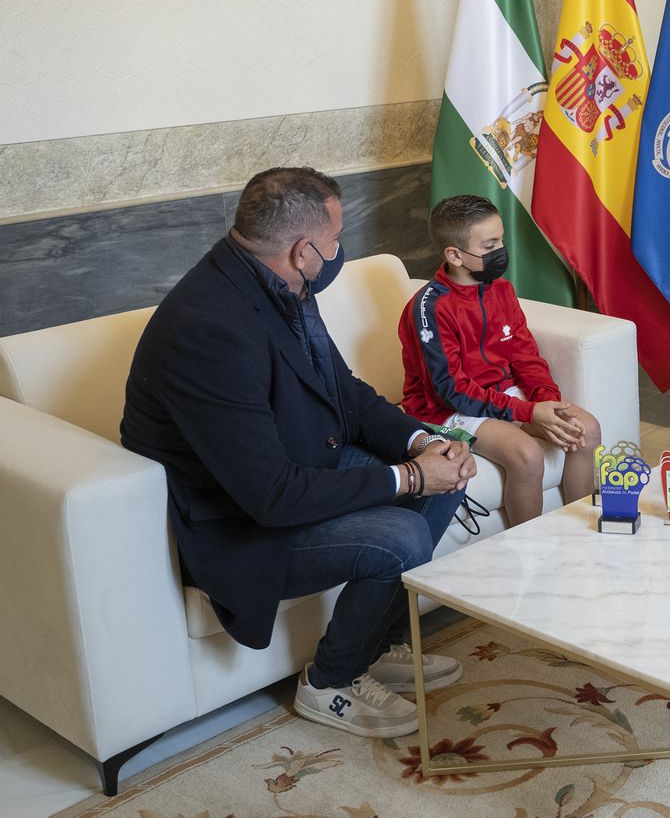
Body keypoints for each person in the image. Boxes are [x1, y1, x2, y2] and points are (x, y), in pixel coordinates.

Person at [122, 167, 477, 740]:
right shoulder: (207, 329)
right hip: (240, 525)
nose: (340, 252)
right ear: (303, 248)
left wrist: (422, 443)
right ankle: (328, 685)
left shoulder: (282, 284)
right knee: (404, 535)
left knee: (447, 477)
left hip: (306, 466)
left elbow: (348, 395)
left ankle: (371, 645)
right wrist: (409, 478)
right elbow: (270, 496)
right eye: (336, 241)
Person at [398, 195, 600, 527]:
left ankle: (580, 535)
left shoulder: (501, 290)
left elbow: (526, 357)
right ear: (455, 254)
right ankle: (529, 549)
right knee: (527, 454)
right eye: (490, 244)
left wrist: (546, 403)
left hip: (500, 395)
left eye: (501, 239)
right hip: (447, 409)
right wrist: (527, 412)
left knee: (584, 429)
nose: (501, 250)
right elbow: (451, 390)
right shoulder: (428, 308)